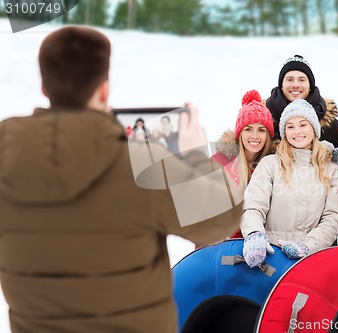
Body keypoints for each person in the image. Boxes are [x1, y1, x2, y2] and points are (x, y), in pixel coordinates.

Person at [0, 26, 243, 333]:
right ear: (103, 89)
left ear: (45, 88)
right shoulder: (141, 161)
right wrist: (193, 154)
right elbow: (220, 218)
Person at [240, 98, 338, 268]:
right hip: (270, 259)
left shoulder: (330, 170)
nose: (297, 131)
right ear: (284, 132)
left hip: (310, 261)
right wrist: (254, 233)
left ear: (314, 128)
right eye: (290, 126)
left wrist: (307, 246)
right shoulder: (270, 164)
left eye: (303, 124)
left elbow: (333, 217)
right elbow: (253, 206)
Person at [211, 90, 274, 238]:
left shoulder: (271, 167)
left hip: (258, 246)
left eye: (261, 130)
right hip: (220, 246)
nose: (254, 136)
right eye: (248, 129)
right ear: (239, 133)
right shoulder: (219, 162)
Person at [265, 54, 338, 164]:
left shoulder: (332, 126)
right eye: (289, 80)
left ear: (310, 85)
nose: (295, 85)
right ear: (281, 85)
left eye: (302, 80)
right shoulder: (263, 122)